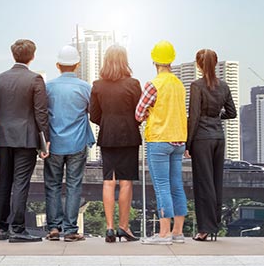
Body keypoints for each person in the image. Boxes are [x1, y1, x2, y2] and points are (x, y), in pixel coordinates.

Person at [0, 39, 49, 243]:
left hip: (3, 135)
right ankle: (17, 228)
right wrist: (45, 141)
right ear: (32, 56)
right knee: (20, 183)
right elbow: (41, 113)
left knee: (4, 181)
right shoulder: (35, 79)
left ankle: (1, 228)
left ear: (13, 55)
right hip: (26, 138)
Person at [135, 40, 188, 245]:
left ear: (154, 60)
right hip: (179, 140)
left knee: (162, 186)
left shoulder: (153, 84)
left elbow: (139, 113)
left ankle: (164, 233)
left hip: (159, 139)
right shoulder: (179, 84)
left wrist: (149, 112)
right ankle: (178, 232)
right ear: (172, 60)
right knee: (177, 185)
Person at [89, 45, 142, 243]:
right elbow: (139, 113)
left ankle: (109, 228)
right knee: (126, 181)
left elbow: (94, 115)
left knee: (108, 181)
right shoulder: (133, 84)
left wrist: (107, 122)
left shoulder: (97, 85)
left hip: (107, 136)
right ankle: (124, 227)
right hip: (129, 135)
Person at [44, 45, 95, 242]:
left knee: (52, 185)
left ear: (58, 65)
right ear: (77, 65)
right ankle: (71, 229)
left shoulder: (48, 87)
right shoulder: (85, 87)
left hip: (53, 144)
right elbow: (93, 112)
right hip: (77, 143)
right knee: (74, 185)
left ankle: (54, 228)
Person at [186, 49, 237, 241]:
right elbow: (232, 113)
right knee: (216, 183)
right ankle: (214, 226)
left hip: (202, 139)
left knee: (203, 184)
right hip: (219, 138)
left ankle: (205, 229)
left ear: (199, 65)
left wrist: (188, 144)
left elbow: (194, 116)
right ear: (215, 64)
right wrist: (216, 117)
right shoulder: (224, 86)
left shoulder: (196, 85)